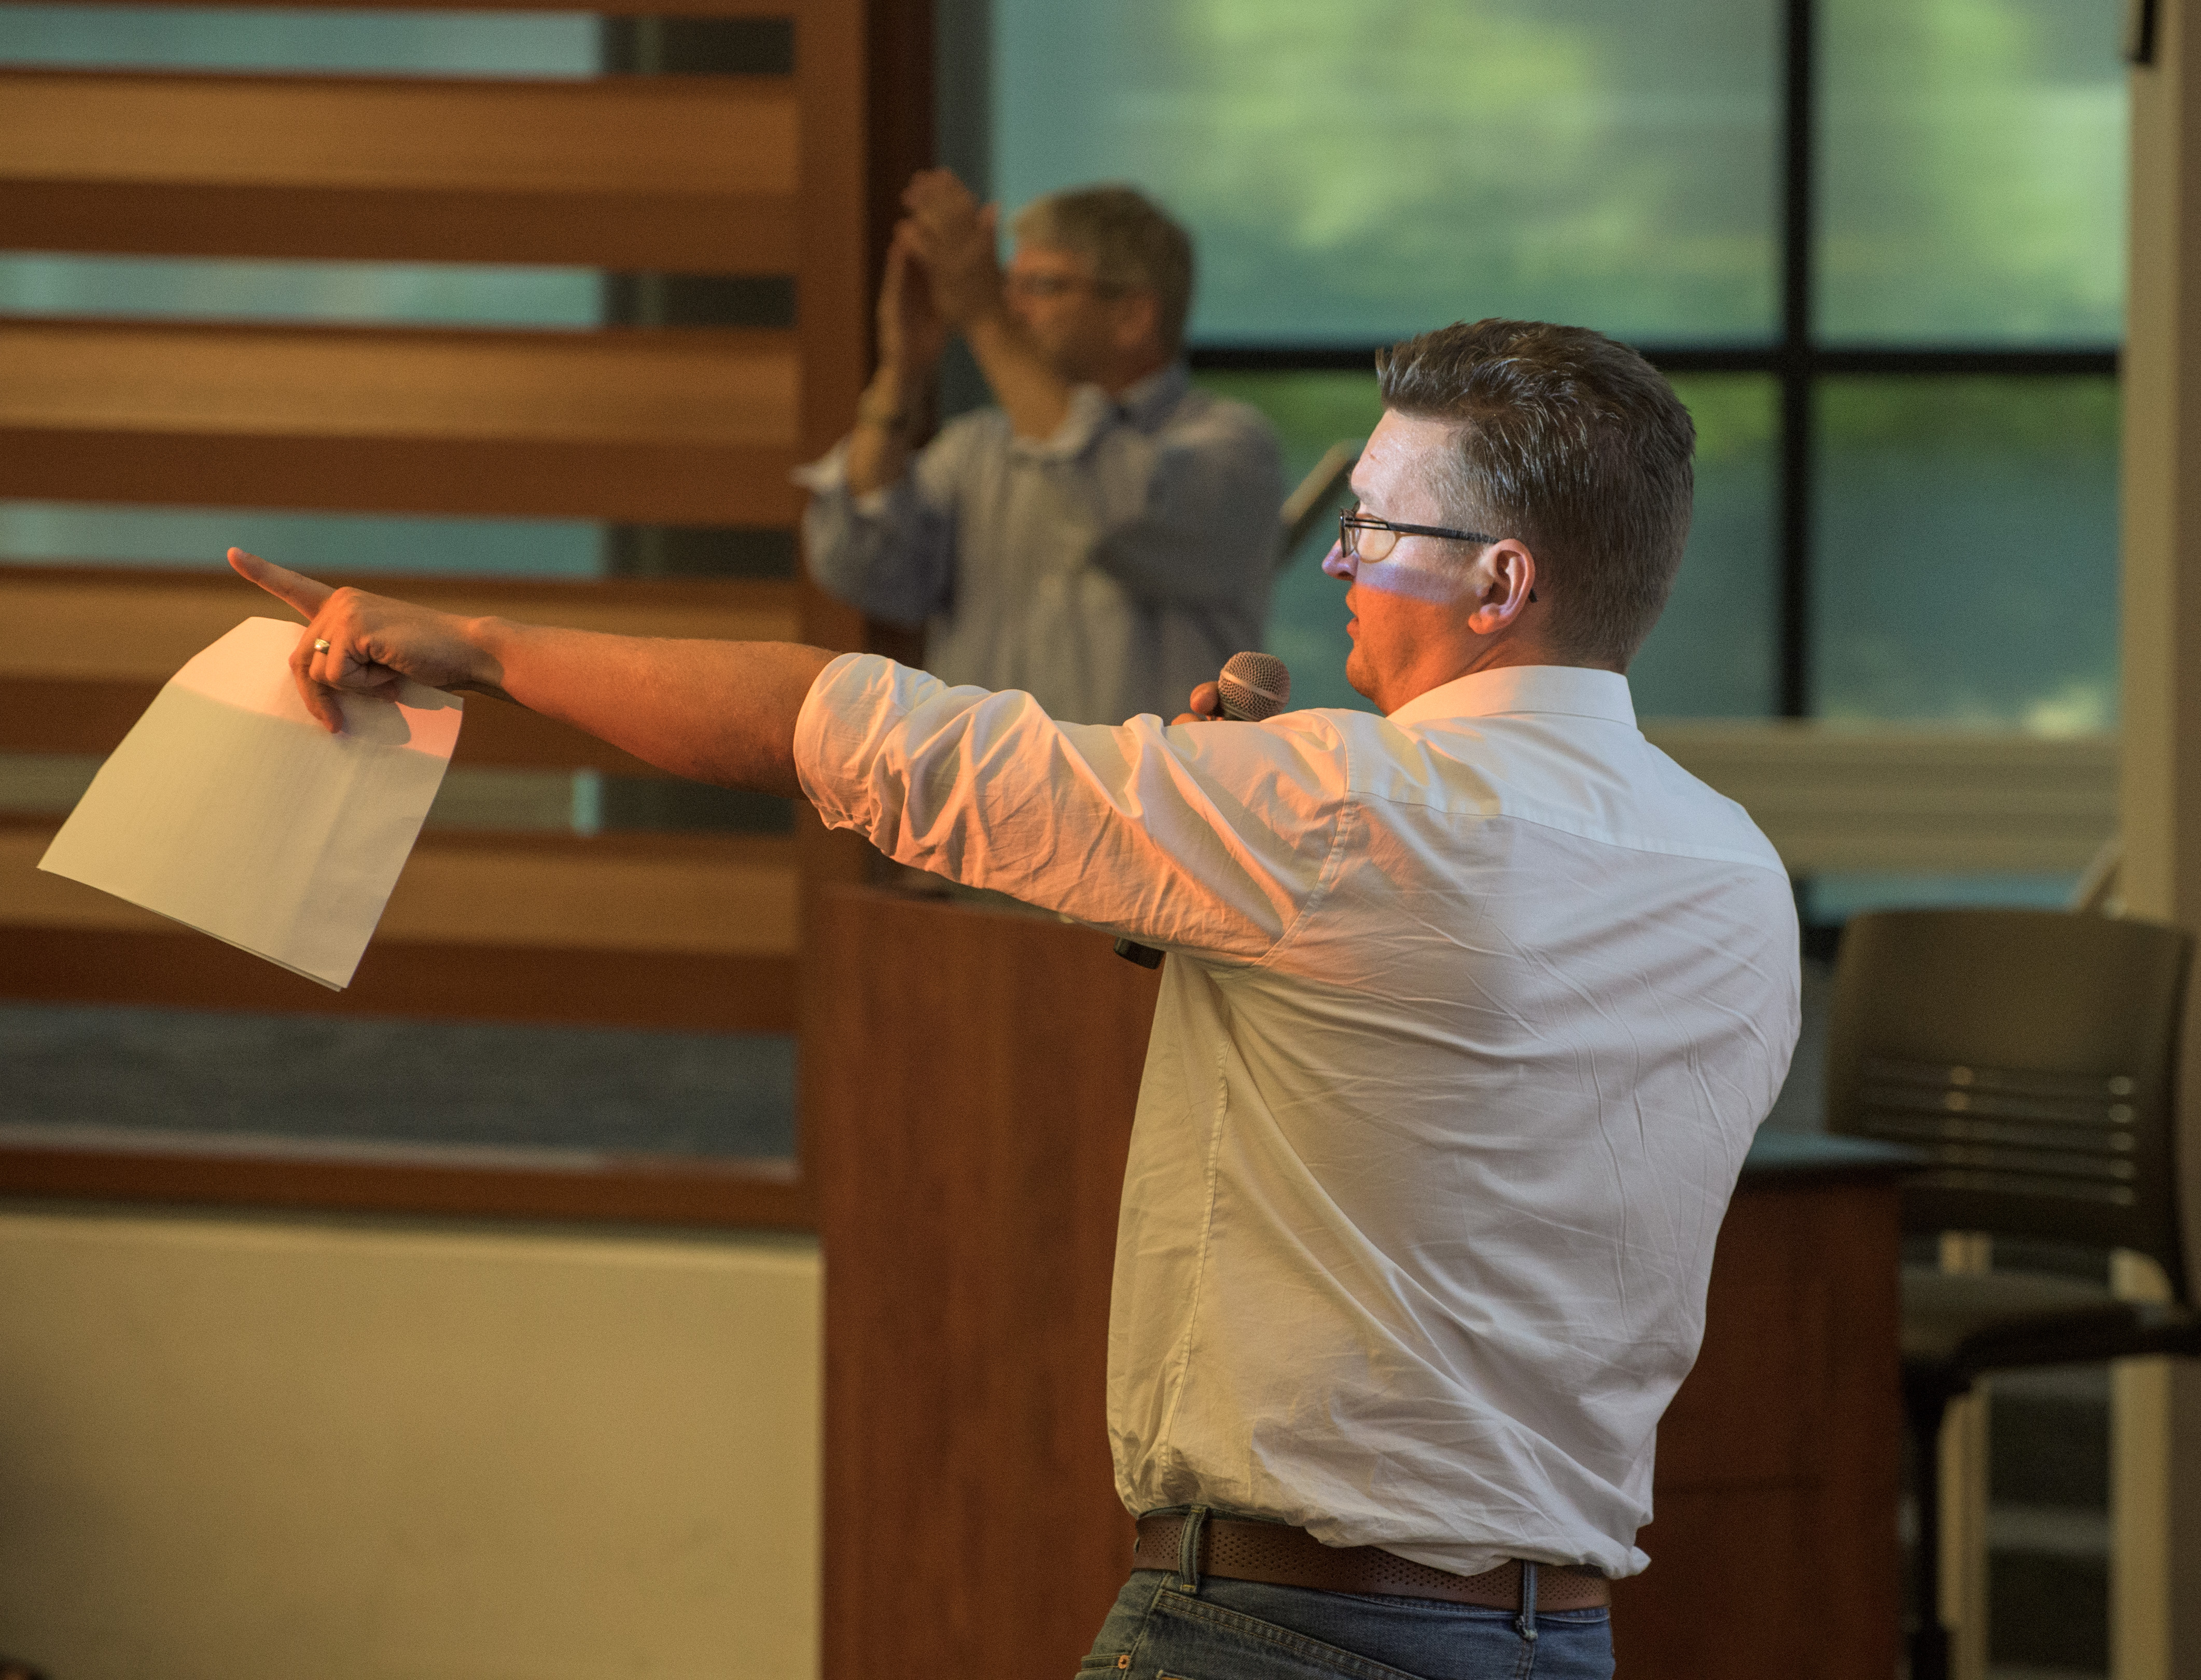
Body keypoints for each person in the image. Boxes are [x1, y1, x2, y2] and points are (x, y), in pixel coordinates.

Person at [231, 316, 1799, 1680]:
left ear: (1500, 578)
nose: (1341, 567)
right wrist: (1234, 822)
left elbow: (864, 738)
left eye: (1373, 531)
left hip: (1286, 1629)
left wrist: (489, 645)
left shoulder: (1335, 810)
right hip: (1558, 1633)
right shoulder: (1732, 874)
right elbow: (1429, 1067)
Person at [796, 171, 1285, 725]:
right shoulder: (978, 447)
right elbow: (859, 567)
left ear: (1131, 316)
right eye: (1008, 285)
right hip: (984, 802)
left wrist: (984, 320)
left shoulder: (1232, 445)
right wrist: (900, 372)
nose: (1014, 306)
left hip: (1149, 805)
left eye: (1043, 286)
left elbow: (1115, 507)